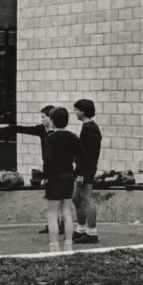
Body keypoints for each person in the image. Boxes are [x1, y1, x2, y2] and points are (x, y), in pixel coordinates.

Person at [0, 105, 60, 234]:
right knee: (51, 196)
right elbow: (25, 129)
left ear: (51, 118)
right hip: (47, 165)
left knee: (57, 196)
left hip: (57, 167)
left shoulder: (58, 132)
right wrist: (8, 126)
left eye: (43, 117)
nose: (41, 120)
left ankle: (58, 223)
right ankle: (54, 222)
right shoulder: (42, 130)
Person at [42, 106, 87, 253]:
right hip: (68, 177)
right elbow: (83, 158)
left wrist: (45, 177)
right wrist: (77, 172)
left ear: (52, 120)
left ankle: (54, 247)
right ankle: (68, 246)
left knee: (52, 214)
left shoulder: (50, 138)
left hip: (54, 178)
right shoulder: (73, 137)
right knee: (67, 213)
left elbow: (48, 161)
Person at [71, 98, 103, 244]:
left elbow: (86, 155)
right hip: (86, 168)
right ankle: (81, 229)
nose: (74, 112)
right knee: (77, 198)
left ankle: (92, 232)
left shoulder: (88, 128)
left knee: (87, 199)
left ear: (83, 111)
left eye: (76, 109)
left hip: (85, 169)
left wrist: (81, 174)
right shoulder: (91, 126)